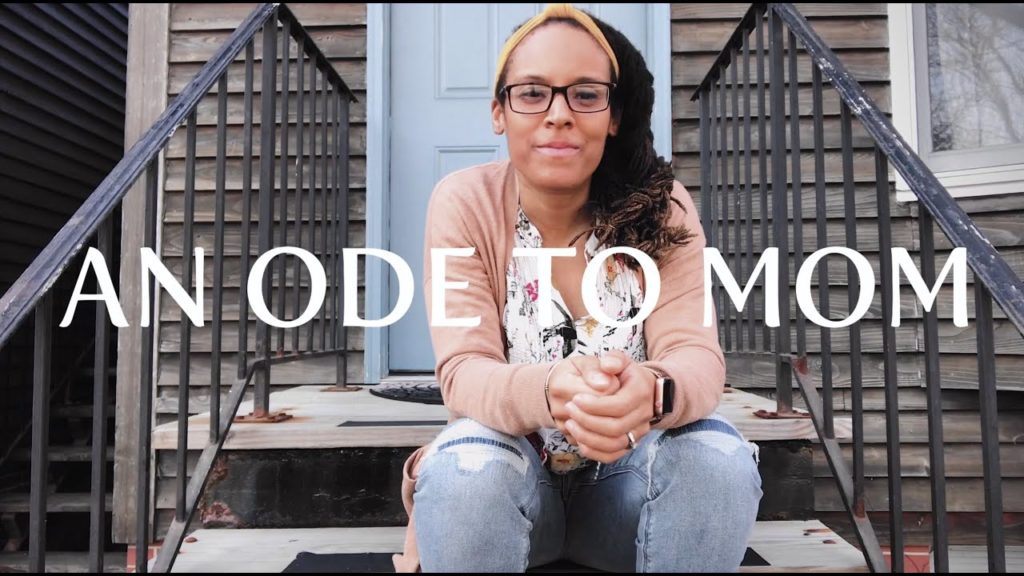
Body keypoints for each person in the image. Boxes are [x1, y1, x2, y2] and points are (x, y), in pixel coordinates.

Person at [392, 4, 762, 572]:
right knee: (465, 467)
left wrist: (652, 390)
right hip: (514, 487)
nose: (559, 115)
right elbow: (464, 372)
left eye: (585, 95)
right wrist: (553, 390)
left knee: (717, 455)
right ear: (499, 111)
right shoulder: (463, 201)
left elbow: (697, 357)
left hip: (629, 489)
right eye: (533, 93)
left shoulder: (662, 209)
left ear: (612, 115)